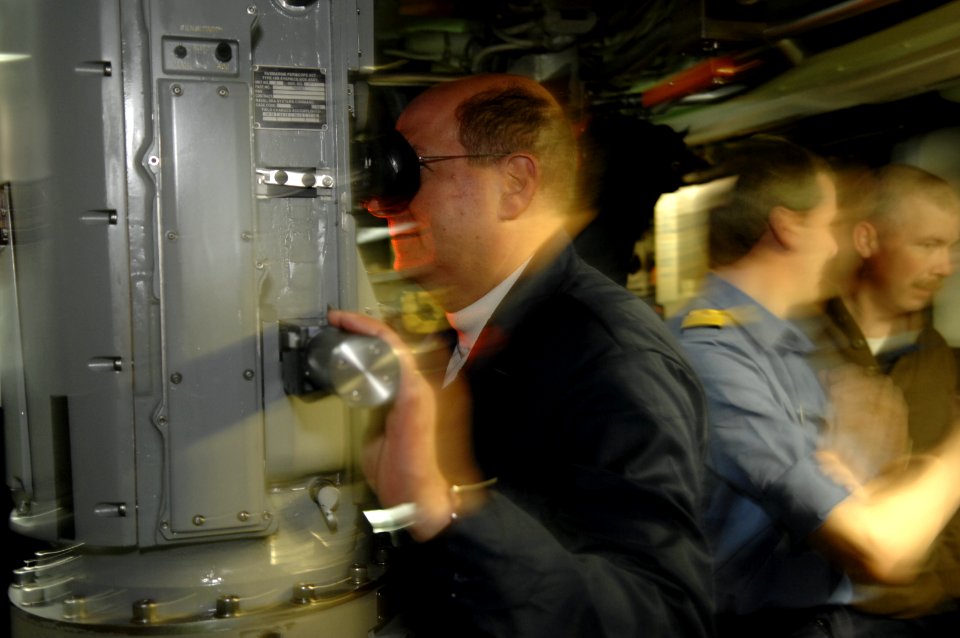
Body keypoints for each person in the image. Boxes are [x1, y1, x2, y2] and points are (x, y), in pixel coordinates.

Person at [331, 74, 715, 637]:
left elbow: (661, 616)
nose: (377, 201)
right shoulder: (457, 340)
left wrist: (452, 510)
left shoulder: (614, 358)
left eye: (407, 170)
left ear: (514, 183)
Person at [667, 137, 960, 637]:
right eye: (830, 228)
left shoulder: (788, 347)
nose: (836, 246)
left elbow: (846, 491)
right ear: (787, 226)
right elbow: (877, 544)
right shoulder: (714, 353)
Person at [816, 164, 960, 620]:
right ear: (867, 240)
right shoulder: (802, 345)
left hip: (928, 615)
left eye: (954, 247)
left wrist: (945, 585)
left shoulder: (940, 360)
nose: (946, 266)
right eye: (929, 245)